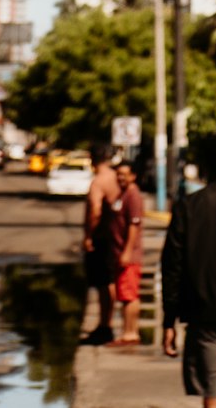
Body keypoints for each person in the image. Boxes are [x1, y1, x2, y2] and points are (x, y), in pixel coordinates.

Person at [161, 133, 216, 408]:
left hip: (201, 313)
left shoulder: (188, 207)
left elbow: (172, 266)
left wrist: (169, 320)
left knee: (211, 390)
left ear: (203, 166)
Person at [83, 141, 120, 344]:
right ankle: (106, 323)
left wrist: (89, 235)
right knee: (109, 282)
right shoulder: (115, 178)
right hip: (112, 236)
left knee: (102, 284)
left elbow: (95, 211)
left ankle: (105, 325)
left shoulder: (98, 182)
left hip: (101, 238)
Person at [108, 159, 145, 346]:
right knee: (124, 294)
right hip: (119, 253)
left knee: (130, 295)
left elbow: (134, 224)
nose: (120, 177)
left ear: (133, 176)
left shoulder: (133, 196)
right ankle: (126, 331)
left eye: (124, 174)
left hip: (129, 255)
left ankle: (131, 333)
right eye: (118, 174)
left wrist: (127, 251)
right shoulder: (123, 194)